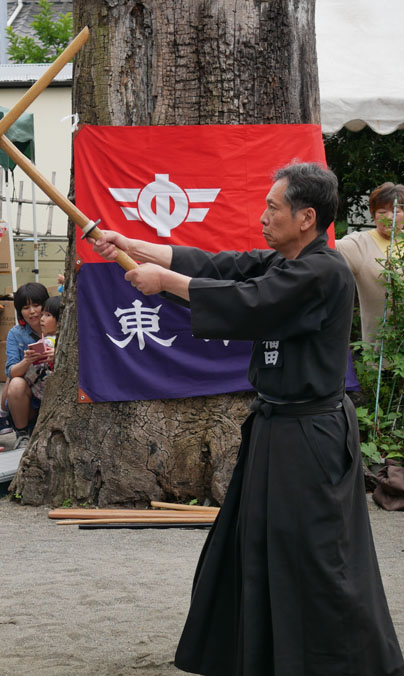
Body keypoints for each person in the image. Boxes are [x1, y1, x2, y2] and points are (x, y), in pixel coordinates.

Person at [93, 162, 404, 676]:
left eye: (273, 207)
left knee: (317, 554)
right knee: (255, 542)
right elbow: (223, 269)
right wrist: (132, 243)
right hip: (275, 430)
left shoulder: (322, 271)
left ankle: (350, 662)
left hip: (312, 436)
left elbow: (249, 301)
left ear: (306, 218)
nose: (264, 216)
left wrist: (162, 281)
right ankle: (261, 658)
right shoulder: (286, 262)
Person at [336, 182, 404, 346]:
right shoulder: (359, 244)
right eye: (382, 211)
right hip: (379, 355)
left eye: (396, 211)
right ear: (373, 215)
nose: (389, 217)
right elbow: (324, 249)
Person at [1, 282, 49, 448]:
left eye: (36, 305)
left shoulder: (62, 326)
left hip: (54, 389)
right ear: (20, 311)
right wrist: (27, 360)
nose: (32, 311)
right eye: (26, 307)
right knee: (15, 383)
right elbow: (11, 371)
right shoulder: (16, 333)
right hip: (29, 393)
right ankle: (22, 435)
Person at [23, 295, 59, 403]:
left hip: (40, 394)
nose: (42, 319)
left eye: (48, 315)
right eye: (42, 314)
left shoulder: (46, 343)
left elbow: (30, 376)